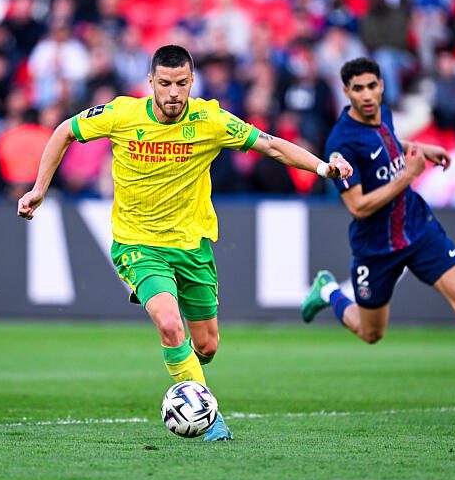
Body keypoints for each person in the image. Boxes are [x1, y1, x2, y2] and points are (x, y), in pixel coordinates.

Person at [18, 45, 352, 440]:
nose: (173, 92)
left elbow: (271, 145)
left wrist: (321, 166)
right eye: (164, 83)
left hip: (193, 247)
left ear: (192, 82)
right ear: (150, 83)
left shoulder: (210, 119)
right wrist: (40, 188)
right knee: (170, 325)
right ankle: (209, 419)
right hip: (138, 244)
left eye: (181, 83)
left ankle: (188, 375)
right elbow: (63, 132)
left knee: (206, 346)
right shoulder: (122, 114)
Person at [301, 57, 455, 413]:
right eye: (358, 89)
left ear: (381, 85)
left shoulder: (385, 113)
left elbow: (389, 141)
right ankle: (329, 291)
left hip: (418, 227)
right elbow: (359, 207)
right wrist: (409, 176)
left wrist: (423, 150)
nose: (367, 95)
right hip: (376, 246)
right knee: (371, 333)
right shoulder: (342, 144)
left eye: (372, 86)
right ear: (346, 92)